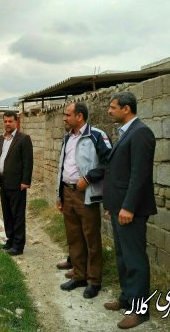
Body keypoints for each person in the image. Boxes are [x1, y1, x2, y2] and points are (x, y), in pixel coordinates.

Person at [103, 91, 156, 329]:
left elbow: (139, 175)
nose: (109, 111)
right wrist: (112, 206)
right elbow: (118, 173)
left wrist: (127, 207)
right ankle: (127, 298)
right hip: (119, 208)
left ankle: (140, 310)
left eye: (113, 107)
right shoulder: (126, 132)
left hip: (130, 210)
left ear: (127, 109)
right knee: (122, 256)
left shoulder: (141, 132)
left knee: (135, 259)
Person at [56, 102, 112, 299]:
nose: (64, 118)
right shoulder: (67, 137)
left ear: (79, 117)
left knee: (91, 238)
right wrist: (59, 195)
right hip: (68, 193)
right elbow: (62, 166)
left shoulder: (96, 135)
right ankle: (79, 275)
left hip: (86, 194)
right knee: (74, 237)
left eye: (67, 115)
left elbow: (109, 161)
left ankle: (94, 280)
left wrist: (88, 179)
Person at [0, 111, 33, 256]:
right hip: (3, 182)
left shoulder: (23, 139)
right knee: (7, 213)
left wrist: (26, 181)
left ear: (16, 122)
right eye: (5, 121)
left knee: (17, 215)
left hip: (17, 184)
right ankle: (10, 240)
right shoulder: (1, 139)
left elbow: (28, 162)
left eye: (10, 121)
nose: (7, 124)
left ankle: (18, 245)